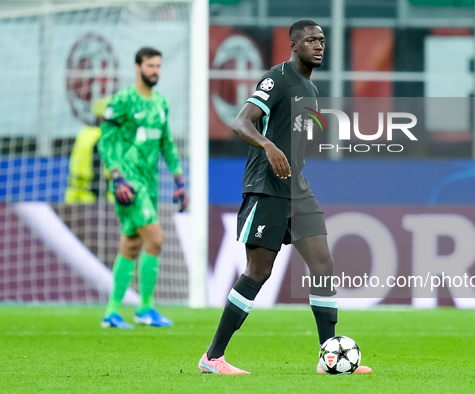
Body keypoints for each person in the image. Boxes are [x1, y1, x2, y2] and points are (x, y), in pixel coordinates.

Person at [198, 20, 372, 375]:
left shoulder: (309, 87)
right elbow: (241, 121)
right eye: (310, 40)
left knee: (323, 263)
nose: (318, 45)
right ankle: (213, 357)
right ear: (294, 45)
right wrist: (268, 146)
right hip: (267, 187)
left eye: (322, 40)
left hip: (297, 188)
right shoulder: (276, 78)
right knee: (258, 271)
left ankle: (328, 357)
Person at [98, 47, 188, 329]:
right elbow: (106, 140)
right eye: (150, 66)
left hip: (150, 183)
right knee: (156, 239)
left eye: (158, 66)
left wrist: (179, 180)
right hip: (128, 182)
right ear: (137, 67)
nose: (155, 71)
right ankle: (145, 308)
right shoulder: (124, 99)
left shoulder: (161, 102)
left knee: (132, 243)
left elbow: (166, 144)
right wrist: (116, 175)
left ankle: (112, 312)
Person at [65, 96, 113, 204]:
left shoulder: (85, 134)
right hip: (92, 202)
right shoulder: (101, 139)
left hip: (76, 198)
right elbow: (98, 179)